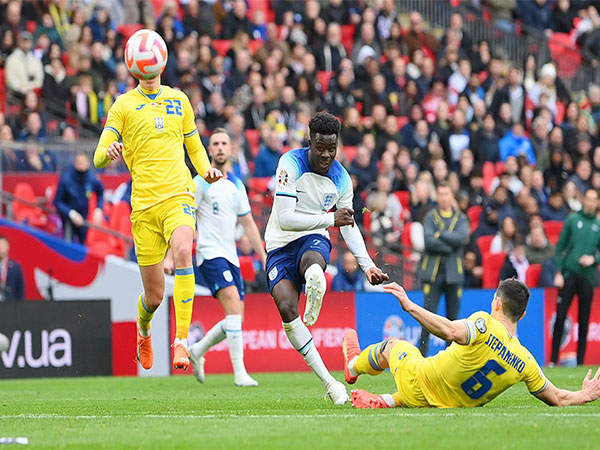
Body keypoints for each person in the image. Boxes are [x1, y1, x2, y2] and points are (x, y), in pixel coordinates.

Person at [93, 32, 222, 372]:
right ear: (135, 69)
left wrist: (206, 169)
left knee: (182, 251)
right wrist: (109, 153)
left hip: (178, 194)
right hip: (144, 207)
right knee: (153, 296)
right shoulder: (122, 106)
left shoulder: (179, 100)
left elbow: (193, 146)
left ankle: (181, 342)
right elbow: (97, 158)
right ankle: (145, 328)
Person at [264, 112, 388, 405]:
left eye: (331, 148)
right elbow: (284, 219)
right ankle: (330, 383)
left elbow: (348, 224)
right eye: (320, 147)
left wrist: (367, 265)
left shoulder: (342, 179)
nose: (326, 154)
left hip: (313, 240)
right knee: (285, 307)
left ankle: (314, 278)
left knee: (313, 259)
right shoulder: (290, 164)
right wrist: (330, 218)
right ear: (310, 141)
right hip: (280, 244)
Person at [343, 279, 600, 409]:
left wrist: (410, 306)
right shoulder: (526, 362)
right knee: (424, 392)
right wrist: (585, 395)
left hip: (418, 380)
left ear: (496, 303)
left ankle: (353, 366)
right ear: (522, 315)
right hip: (449, 405)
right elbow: (556, 397)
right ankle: (386, 400)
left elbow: (450, 331)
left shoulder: (484, 323)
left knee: (393, 346)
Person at [188, 129, 266, 387]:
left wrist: (263, 256)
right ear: (209, 150)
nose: (220, 148)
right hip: (209, 254)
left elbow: (249, 224)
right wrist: (172, 255)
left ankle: (198, 350)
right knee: (232, 304)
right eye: (215, 144)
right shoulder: (200, 181)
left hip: (230, 257)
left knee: (236, 319)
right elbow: (186, 219)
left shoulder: (236, 184)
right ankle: (239, 373)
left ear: (230, 149)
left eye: (224, 143)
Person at [551, 188, 600, 366]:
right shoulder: (573, 220)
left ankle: (580, 361)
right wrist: (558, 271)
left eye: (594, 200)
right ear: (584, 200)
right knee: (561, 316)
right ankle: (553, 359)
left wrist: (593, 259)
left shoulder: (598, 225)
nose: (590, 202)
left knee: (584, 321)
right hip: (569, 274)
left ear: (597, 203)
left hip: (587, 277)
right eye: (588, 199)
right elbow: (559, 247)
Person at [419, 182, 469, 356]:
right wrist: (450, 245)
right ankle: (420, 357)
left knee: (453, 321)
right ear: (437, 197)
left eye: (446, 194)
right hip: (433, 274)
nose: (443, 197)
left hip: (454, 275)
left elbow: (462, 239)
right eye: (440, 194)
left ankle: (450, 358)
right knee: (427, 318)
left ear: (451, 196)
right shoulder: (431, 216)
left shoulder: (460, 217)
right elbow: (429, 241)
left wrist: (440, 235)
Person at [53, 152, 104, 244]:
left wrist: (99, 209)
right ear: (75, 163)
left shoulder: (91, 178)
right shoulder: (66, 179)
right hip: (68, 219)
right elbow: (58, 202)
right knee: (69, 246)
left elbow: (100, 191)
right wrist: (71, 213)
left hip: (84, 218)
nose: (82, 166)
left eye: (84, 163)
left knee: (83, 245)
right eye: (80, 163)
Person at [0, 235, 25, 301]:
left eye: (3, 246)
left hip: (11, 305)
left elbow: (20, 290)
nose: (1, 249)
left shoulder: (16, 267)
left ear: (8, 246)